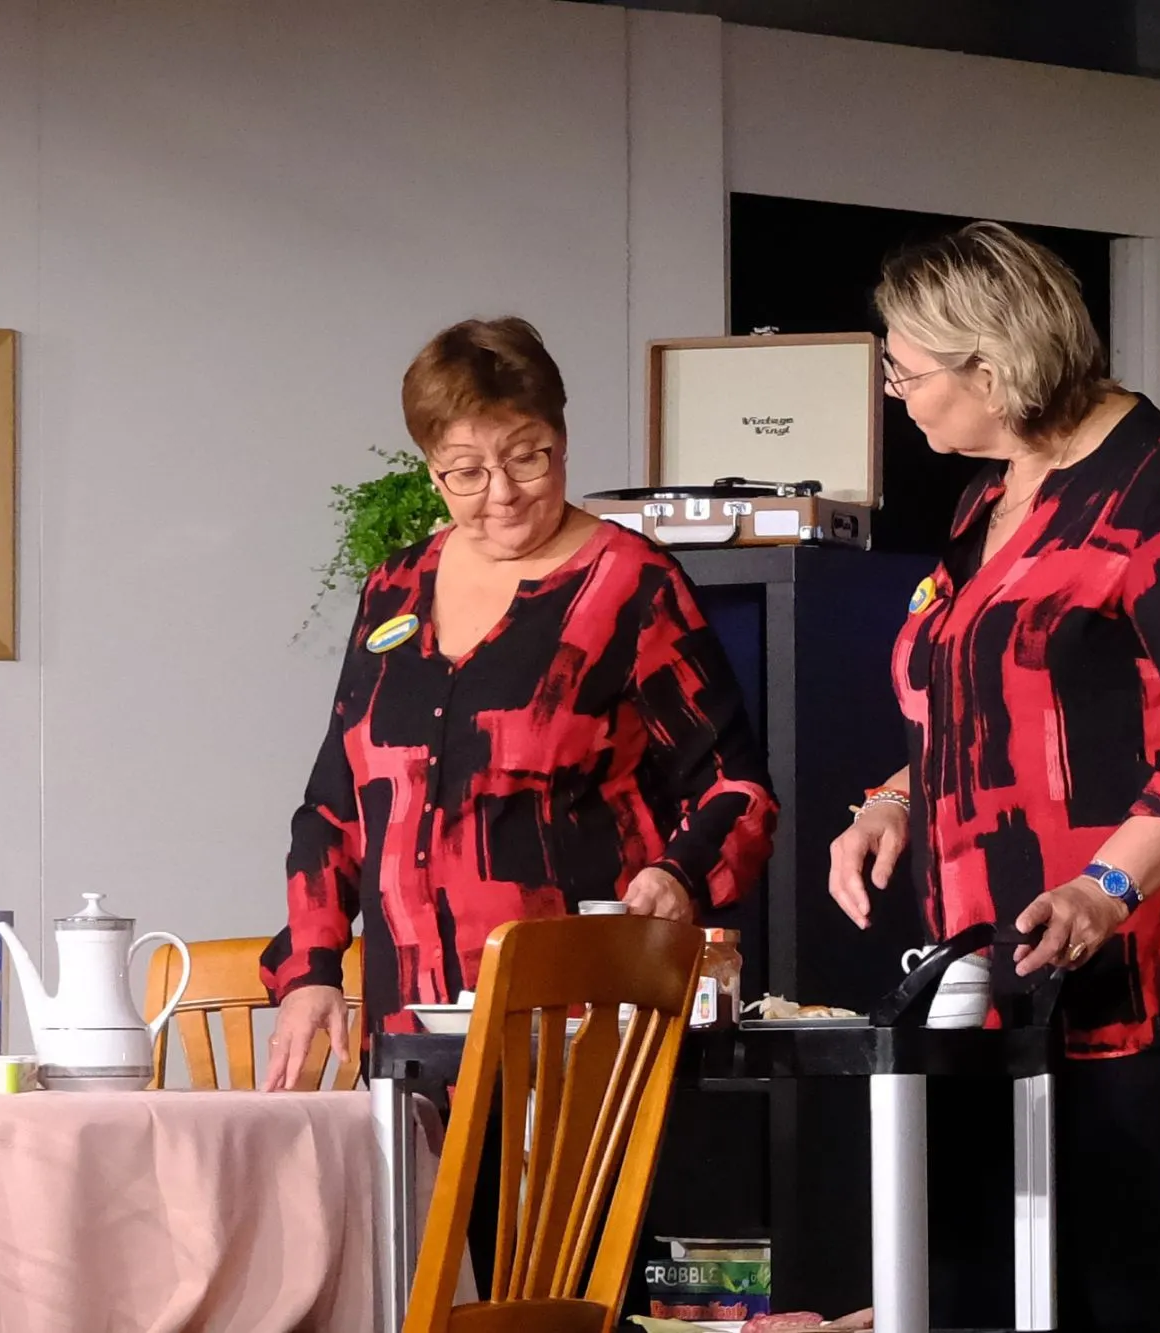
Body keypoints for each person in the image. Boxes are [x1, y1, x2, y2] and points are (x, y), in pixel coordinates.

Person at [827, 222, 1160, 1333]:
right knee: (974, 1291)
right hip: (994, 982)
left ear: (988, 363)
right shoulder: (989, 499)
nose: (895, 393)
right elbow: (981, 705)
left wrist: (1105, 887)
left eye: (906, 368)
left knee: (1128, 1293)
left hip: (1151, 982)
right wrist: (893, 797)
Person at [261, 315, 776, 1091]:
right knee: (415, 1216)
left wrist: (681, 876)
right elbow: (336, 804)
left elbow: (736, 789)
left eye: (526, 457)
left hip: (580, 1032)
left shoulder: (631, 585)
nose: (500, 493)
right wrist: (311, 969)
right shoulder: (394, 588)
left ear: (562, 441)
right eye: (465, 471)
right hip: (413, 1031)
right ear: (432, 470)